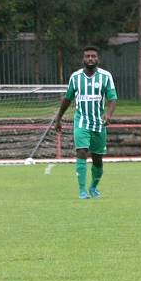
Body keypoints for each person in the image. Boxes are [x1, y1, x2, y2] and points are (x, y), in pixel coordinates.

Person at [54, 46, 118, 199]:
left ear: (98, 59)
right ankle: (82, 190)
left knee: (97, 158)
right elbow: (67, 99)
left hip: (99, 123)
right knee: (81, 151)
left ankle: (93, 187)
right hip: (81, 121)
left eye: (93, 56)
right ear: (83, 59)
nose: (90, 58)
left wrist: (108, 114)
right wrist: (58, 118)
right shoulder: (75, 77)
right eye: (87, 56)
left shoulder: (105, 76)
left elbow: (113, 98)